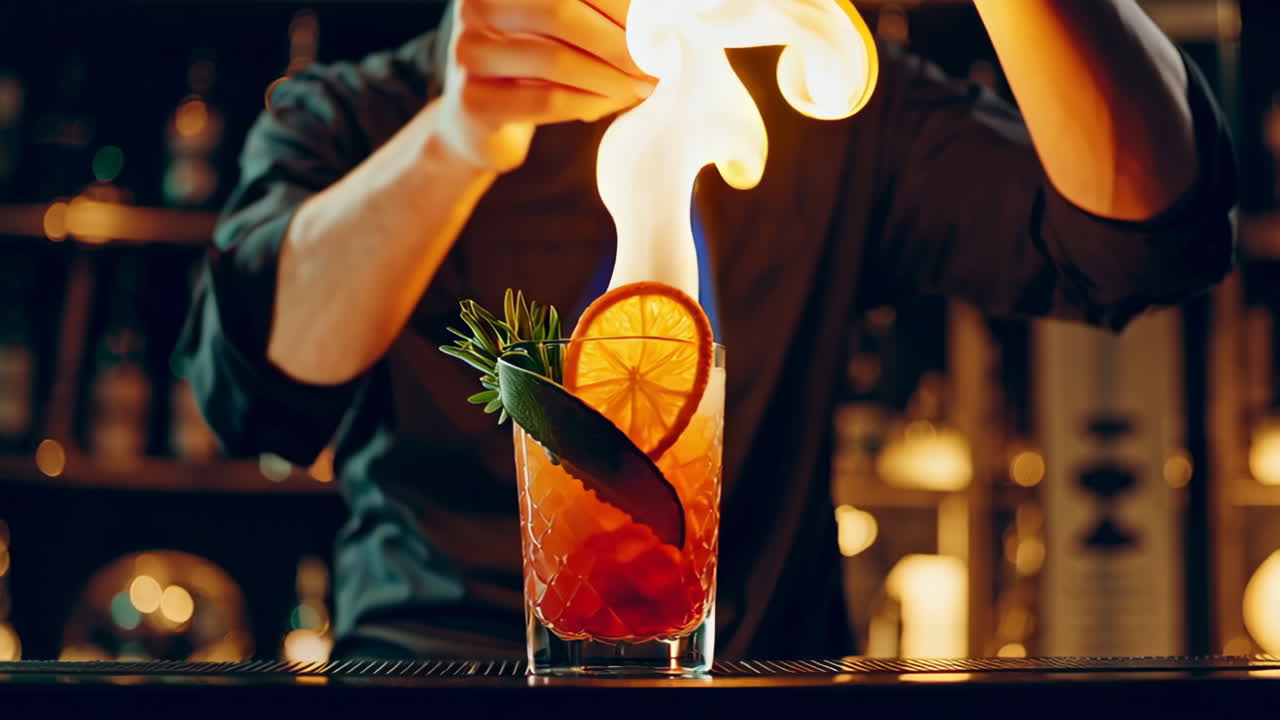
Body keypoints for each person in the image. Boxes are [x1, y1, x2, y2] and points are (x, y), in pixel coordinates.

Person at [175, 0, 1236, 661]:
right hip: (424, 670)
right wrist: (460, 134)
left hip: (757, 673)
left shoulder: (832, 111)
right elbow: (254, 391)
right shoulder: (355, 113)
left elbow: (1142, 239)